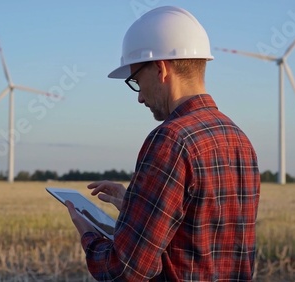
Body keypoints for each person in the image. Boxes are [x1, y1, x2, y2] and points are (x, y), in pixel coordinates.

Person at [66, 6, 260, 281]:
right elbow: (201, 236)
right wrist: (134, 207)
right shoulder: (239, 139)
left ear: (160, 69)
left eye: (135, 81)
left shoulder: (171, 140)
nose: (139, 97)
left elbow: (127, 270)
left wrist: (89, 234)